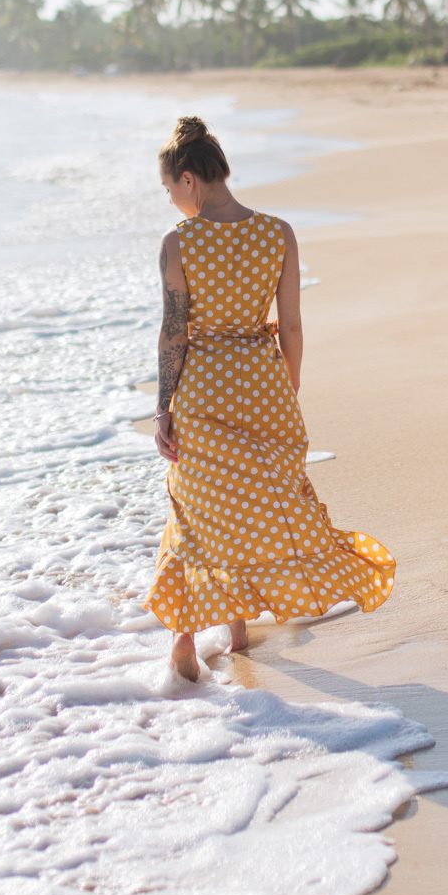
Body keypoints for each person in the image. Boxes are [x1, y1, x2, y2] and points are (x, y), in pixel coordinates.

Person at [145, 115, 395, 681]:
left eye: (168, 190)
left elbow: (175, 333)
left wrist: (164, 407)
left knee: (197, 513)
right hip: (265, 384)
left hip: (205, 388)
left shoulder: (179, 243)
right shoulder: (277, 233)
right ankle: (235, 626)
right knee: (262, 503)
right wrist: (289, 384)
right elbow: (292, 326)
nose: (171, 201)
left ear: (188, 179)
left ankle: (184, 641)